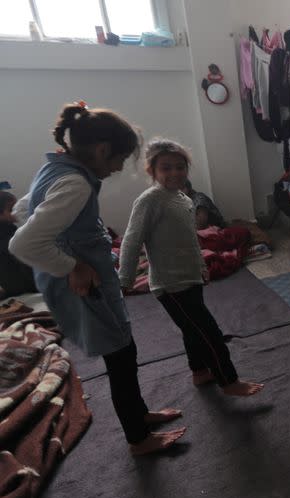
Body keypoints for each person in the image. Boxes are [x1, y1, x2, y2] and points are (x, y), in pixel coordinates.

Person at [9, 102, 185, 455]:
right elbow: (23, 242)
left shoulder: (55, 169)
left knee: (123, 347)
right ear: (102, 150)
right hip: (83, 284)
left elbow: (19, 211)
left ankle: (139, 414)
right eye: (119, 160)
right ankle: (139, 439)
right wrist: (71, 265)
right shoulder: (76, 184)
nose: (118, 168)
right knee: (120, 356)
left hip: (86, 279)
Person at [118, 137, 264, 396]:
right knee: (210, 333)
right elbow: (131, 240)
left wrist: (201, 268)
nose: (174, 172)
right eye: (166, 168)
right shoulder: (150, 200)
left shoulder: (184, 200)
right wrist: (125, 280)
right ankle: (229, 381)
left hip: (190, 278)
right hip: (170, 285)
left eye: (180, 166)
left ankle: (199, 372)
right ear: (152, 171)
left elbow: (191, 241)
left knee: (192, 330)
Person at [0, 191, 37, 297]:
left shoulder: (10, 229)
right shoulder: (6, 236)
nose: (16, 211)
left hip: (14, 286)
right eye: (11, 209)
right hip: (23, 287)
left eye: (17, 206)